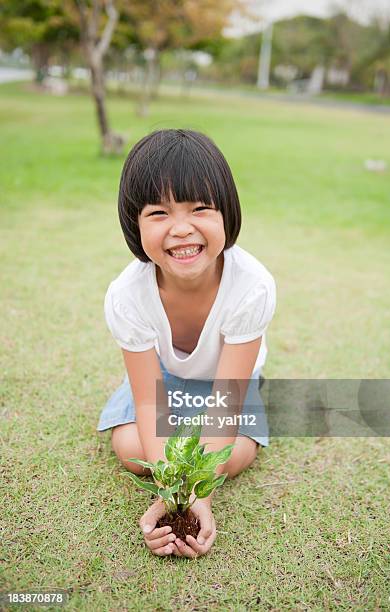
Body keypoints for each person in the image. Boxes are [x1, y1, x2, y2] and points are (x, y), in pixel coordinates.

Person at [97, 129, 277, 558]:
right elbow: (148, 402)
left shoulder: (252, 286)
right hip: (165, 381)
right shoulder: (126, 295)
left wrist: (199, 495)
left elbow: (226, 400)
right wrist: (169, 493)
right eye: (158, 212)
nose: (181, 229)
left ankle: (191, 445)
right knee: (131, 450)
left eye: (200, 209)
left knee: (234, 458)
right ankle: (180, 443)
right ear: (133, 223)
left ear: (227, 214)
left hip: (225, 383)